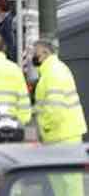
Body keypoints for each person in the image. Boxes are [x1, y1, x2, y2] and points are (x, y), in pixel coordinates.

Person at [30, 40, 87, 196]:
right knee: (61, 180)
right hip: (63, 133)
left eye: (35, 53)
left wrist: (42, 128)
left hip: (61, 134)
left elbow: (54, 108)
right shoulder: (53, 70)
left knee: (68, 181)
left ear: (45, 54)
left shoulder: (53, 73)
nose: (32, 57)